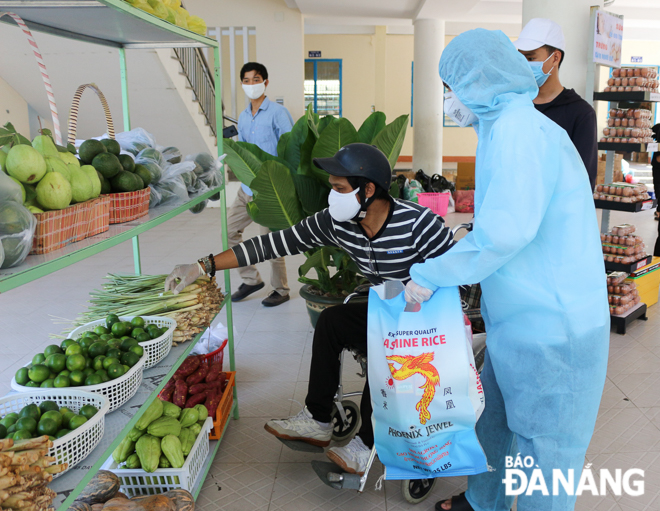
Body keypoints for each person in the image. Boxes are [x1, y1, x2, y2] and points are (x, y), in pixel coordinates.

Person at [406, 30, 609, 511]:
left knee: (546, 453)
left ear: (480, 82)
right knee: (494, 424)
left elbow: (505, 232)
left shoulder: (522, 132)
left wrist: (432, 274)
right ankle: (483, 502)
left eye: (451, 85)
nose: (449, 99)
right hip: (521, 320)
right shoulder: (502, 129)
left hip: (554, 329)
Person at [165, 143, 455, 476]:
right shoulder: (339, 221)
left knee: (383, 345)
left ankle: (366, 443)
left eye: (339, 189)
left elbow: (460, 268)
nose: (333, 197)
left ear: (369, 189)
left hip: (428, 323)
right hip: (387, 311)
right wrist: (203, 266)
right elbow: (273, 244)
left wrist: (429, 284)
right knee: (332, 321)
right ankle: (317, 419)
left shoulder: (419, 223)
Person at [228, 62, 295, 307]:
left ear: (265, 82)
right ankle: (251, 279)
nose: (251, 84)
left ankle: (281, 289)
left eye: (256, 79)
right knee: (229, 232)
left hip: (269, 189)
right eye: (246, 80)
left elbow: (290, 148)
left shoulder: (278, 112)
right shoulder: (244, 117)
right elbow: (245, 151)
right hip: (247, 188)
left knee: (270, 242)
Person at [515, 18, 598, 190]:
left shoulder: (580, 113)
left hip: (555, 213)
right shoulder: (515, 105)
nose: (524, 65)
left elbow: (583, 180)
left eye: (530, 58)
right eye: (520, 58)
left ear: (555, 58)